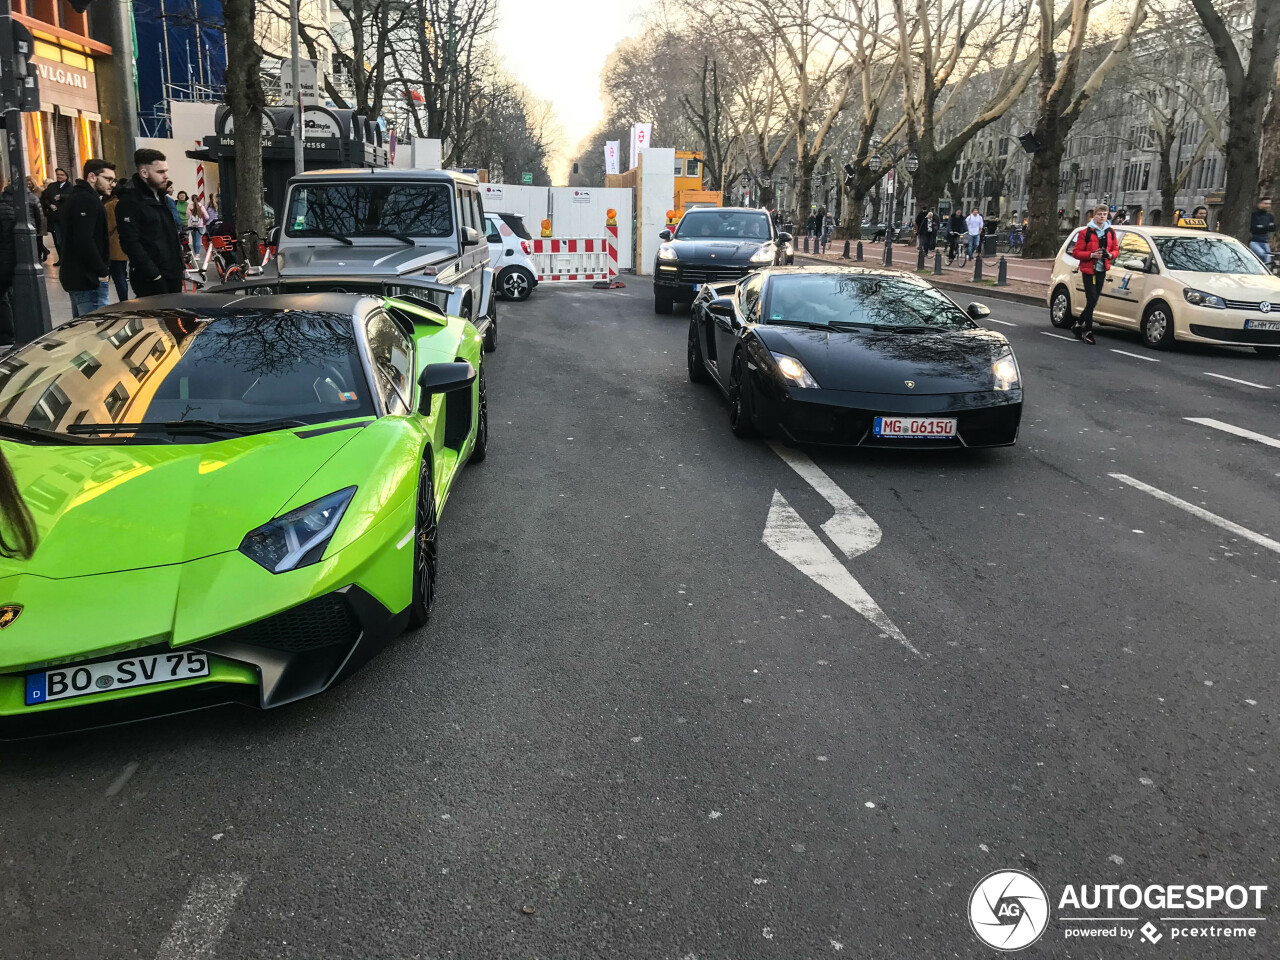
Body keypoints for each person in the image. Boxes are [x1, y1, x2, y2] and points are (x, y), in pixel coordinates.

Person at [116, 148, 185, 297]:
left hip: (172, 275)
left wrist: (180, 265)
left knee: (174, 319)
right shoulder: (130, 202)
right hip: (150, 280)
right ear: (144, 173)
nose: (166, 176)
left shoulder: (162, 198)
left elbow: (170, 235)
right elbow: (130, 243)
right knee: (155, 320)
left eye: (166, 171)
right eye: (160, 172)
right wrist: (154, 274)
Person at [59, 159, 116, 317]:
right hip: (88, 278)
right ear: (92, 176)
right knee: (96, 332)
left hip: (81, 277)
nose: (112, 184)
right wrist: (102, 270)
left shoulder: (79, 197)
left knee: (83, 330)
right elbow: (84, 239)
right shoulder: (86, 199)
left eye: (113, 180)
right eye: (108, 179)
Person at [1069, 204, 1119, 345]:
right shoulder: (1085, 233)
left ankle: (1078, 325)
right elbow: (1076, 252)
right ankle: (1089, 332)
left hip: (1102, 269)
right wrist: (1091, 254)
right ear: (1094, 215)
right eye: (1099, 214)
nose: (1102, 217)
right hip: (1089, 270)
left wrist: (1110, 255)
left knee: (1094, 301)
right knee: (1091, 299)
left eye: (1104, 214)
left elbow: (1116, 249)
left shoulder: (1110, 232)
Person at [40, 168, 72, 264]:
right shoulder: (52, 186)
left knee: (65, 239)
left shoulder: (70, 187)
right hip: (54, 217)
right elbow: (44, 198)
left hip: (66, 217)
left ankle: (68, 258)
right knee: (57, 239)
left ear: (66, 176)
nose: (59, 176)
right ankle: (61, 258)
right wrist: (50, 205)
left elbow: (72, 197)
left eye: (61, 175)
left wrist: (62, 196)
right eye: (58, 174)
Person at [104, 184, 130, 302]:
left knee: (118, 276)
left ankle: (123, 301)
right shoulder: (126, 204)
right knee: (122, 275)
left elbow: (108, 226)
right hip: (124, 243)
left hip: (113, 245)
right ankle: (124, 299)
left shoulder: (110, 206)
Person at [1249, 197, 1274, 266]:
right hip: (1254, 241)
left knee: (1269, 260)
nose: (1268, 206)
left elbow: (1272, 228)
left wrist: (1262, 226)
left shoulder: (1270, 216)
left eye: (1269, 204)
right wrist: (1266, 227)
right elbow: (1254, 228)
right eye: (1266, 203)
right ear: (1260, 204)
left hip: (1265, 242)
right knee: (1261, 255)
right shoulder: (1253, 215)